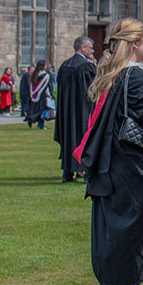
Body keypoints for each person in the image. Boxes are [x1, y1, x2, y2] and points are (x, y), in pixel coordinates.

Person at [72, 18, 143, 285]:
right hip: (130, 167)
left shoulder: (111, 75)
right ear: (136, 43)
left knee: (114, 229)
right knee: (133, 230)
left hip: (110, 165)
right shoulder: (134, 77)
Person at [55, 37, 98, 182]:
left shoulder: (65, 66)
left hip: (67, 111)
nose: (93, 51)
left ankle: (67, 173)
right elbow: (94, 88)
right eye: (91, 48)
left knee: (69, 138)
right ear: (82, 48)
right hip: (83, 110)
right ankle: (86, 173)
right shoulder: (86, 67)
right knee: (83, 137)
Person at [24, 60, 53, 129]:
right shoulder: (45, 75)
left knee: (35, 109)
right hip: (42, 95)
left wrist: (33, 93)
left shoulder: (34, 74)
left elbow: (32, 85)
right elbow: (46, 86)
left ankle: (31, 119)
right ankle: (40, 124)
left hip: (35, 94)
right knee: (42, 110)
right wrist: (49, 95)